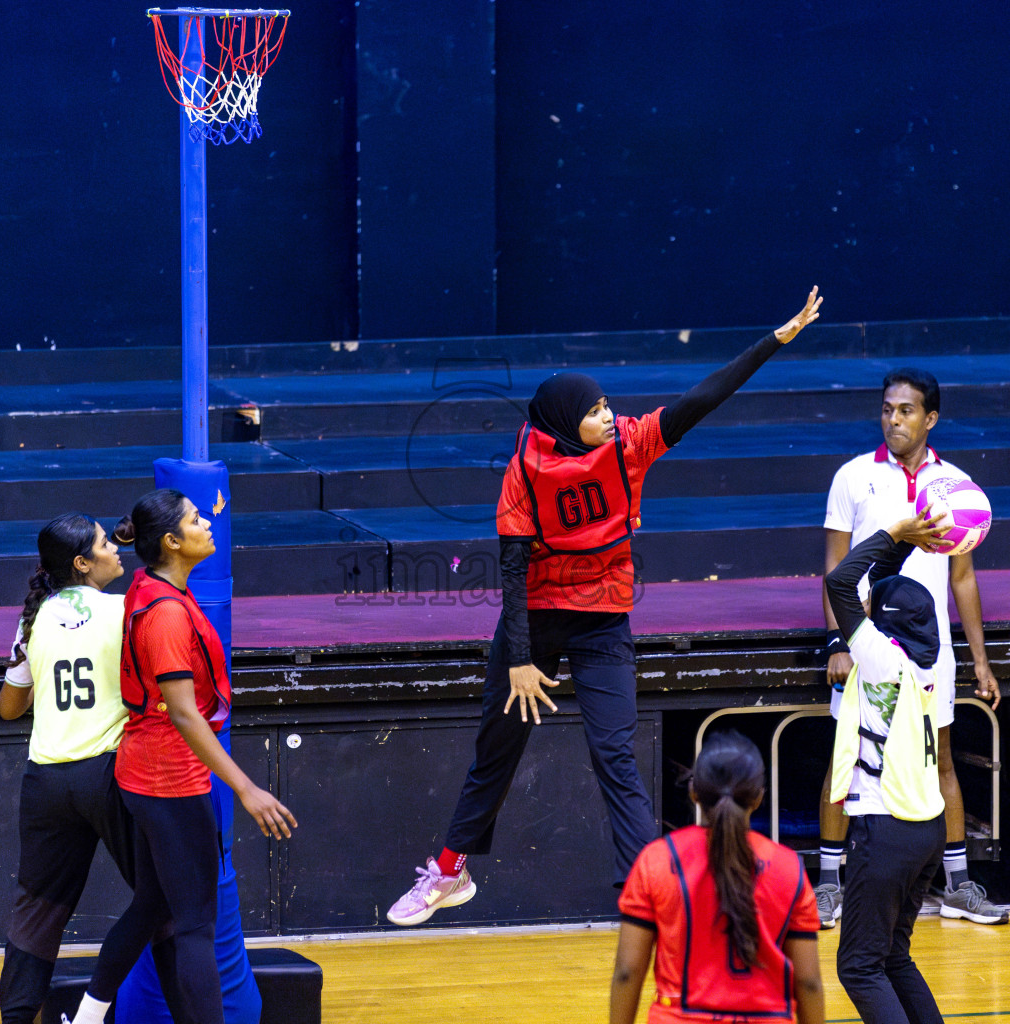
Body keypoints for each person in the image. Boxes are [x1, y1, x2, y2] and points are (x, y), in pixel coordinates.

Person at [386, 288, 825, 927]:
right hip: (534, 618)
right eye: (593, 411)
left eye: (607, 404)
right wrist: (516, 660)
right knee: (497, 750)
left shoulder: (629, 445)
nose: (608, 416)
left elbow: (700, 400)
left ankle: (652, 889)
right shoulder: (525, 469)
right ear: (564, 421)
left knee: (614, 752)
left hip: (603, 617)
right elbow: (511, 573)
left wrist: (774, 341)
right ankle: (450, 872)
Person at [67, 489, 297, 1024]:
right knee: (194, 925)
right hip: (168, 780)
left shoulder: (149, 585)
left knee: (155, 907)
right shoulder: (166, 615)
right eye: (197, 520)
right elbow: (185, 714)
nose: (209, 524)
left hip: (146, 774)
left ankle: (87, 1014)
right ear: (172, 541)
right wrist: (246, 788)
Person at [815, 367, 1006, 929]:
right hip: (868, 644)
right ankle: (829, 885)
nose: (893, 419)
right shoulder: (852, 477)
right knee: (845, 758)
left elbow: (962, 578)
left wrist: (980, 660)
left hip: (930, 652)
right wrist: (837, 642)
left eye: (905, 411)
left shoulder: (959, 489)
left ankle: (957, 885)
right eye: (886, 409)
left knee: (940, 758)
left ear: (931, 419)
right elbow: (834, 568)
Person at [0, 512, 179, 1024]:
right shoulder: (126, 610)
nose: (114, 548)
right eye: (105, 543)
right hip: (110, 774)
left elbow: (9, 708)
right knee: (161, 901)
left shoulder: (33, 616)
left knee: (37, 910)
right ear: (82, 563)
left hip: (46, 780)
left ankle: (16, 1018)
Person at [823, 512, 952, 1024]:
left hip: (886, 829)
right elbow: (879, 587)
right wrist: (904, 551)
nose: (867, 604)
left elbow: (839, 582)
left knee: (858, 967)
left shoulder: (878, 658)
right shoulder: (925, 659)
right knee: (893, 957)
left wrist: (894, 534)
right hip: (927, 829)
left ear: (886, 620)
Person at [609, 731, 825, 1024]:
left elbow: (627, 972)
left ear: (694, 792)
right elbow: (809, 982)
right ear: (759, 796)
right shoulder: (790, 867)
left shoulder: (657, 859)